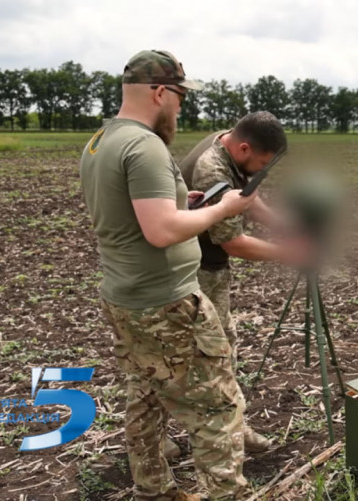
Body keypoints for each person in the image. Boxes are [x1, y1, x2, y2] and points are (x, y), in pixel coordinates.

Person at [79, 49, 256, 501]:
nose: (181, 106)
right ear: (160, 92)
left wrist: (185, 203)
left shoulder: (101, 141)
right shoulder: (145, 146)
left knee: (146, 396)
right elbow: (160, 231)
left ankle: (153, 490)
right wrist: (221, 208)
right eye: (179, 96)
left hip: (125, 297)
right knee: (218, 407)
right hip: (167, 303)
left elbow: (137, 215)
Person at [179, 112, 306, 453]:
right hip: (198, 271)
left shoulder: (229, 142)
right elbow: (232, 243)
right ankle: (222, 437)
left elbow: (246, 196)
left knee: (221, 349)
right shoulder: (212, 170)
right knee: (209, 356)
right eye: (261, 163)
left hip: (207, 268)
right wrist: (290, 253)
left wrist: (283, 224)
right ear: (245, 147)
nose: (262, 171)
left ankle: (233, 426)